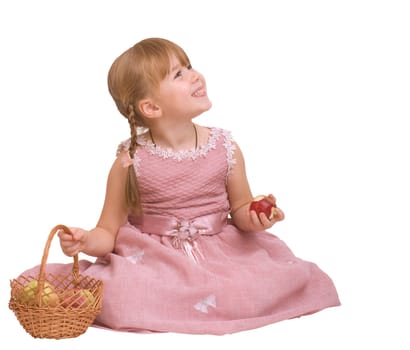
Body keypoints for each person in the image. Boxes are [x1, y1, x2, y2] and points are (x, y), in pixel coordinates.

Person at [24, 38, 340, 335]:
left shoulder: (225, 147)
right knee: (124, 291)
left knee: (259, 282)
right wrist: (85, 241)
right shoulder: (129, 161)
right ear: (151, 108)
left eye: (189, 66)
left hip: (221, 253)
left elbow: (240, 210)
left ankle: (202, 301)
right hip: (154, 260)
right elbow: (107, 233)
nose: (194, 76)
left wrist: (257, 216)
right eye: (179, 74)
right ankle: (171, 302)